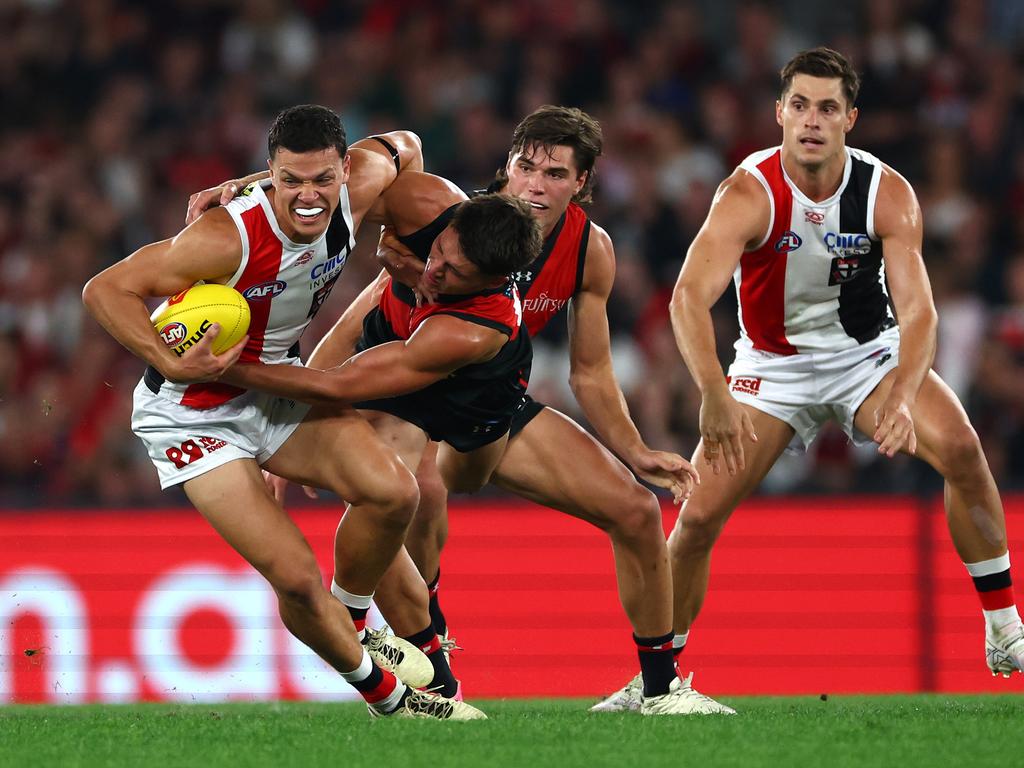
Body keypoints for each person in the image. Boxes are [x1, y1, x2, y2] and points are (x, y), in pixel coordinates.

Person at [190, 106, 719, 715]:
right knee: (403, 492)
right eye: (525, 166)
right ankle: (432, 675)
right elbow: (355, 185)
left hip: (484, 397)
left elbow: (592, 369)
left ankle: (658, 690)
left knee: (634, 509)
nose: (534, 185)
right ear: (507, 167)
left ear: (582, 185)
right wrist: (255, 192)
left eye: (554, 174)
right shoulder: (447, 214)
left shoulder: (586, 251)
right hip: (395, 384)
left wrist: (637, 450)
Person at [595, 46, 1024, 713]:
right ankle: (657, 680)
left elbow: (919, 313)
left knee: (963, 449)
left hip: (867, 360)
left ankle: (1004, 630)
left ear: (850, 118)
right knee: (699, 515)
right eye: (800, 105)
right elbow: (687, 297)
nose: (812, 120)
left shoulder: (888, 192)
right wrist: (713, 392)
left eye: (827, 107)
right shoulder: (748, 190)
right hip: (772, 367)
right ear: (779, 113)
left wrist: (905, 400)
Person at [83, 104, 483, 720]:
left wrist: (388, 236)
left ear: (346, 170)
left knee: (393, 494)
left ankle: (352, 617)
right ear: (270, 175)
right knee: (295, 578)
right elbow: (105, 289)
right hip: (192, 414)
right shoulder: (225, 236)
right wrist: (170, 358)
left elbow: (407, 144)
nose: (306, 197)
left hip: (275, 382)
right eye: (289, 181)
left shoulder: (361, 186)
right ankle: (391, 699)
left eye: (322, 179)